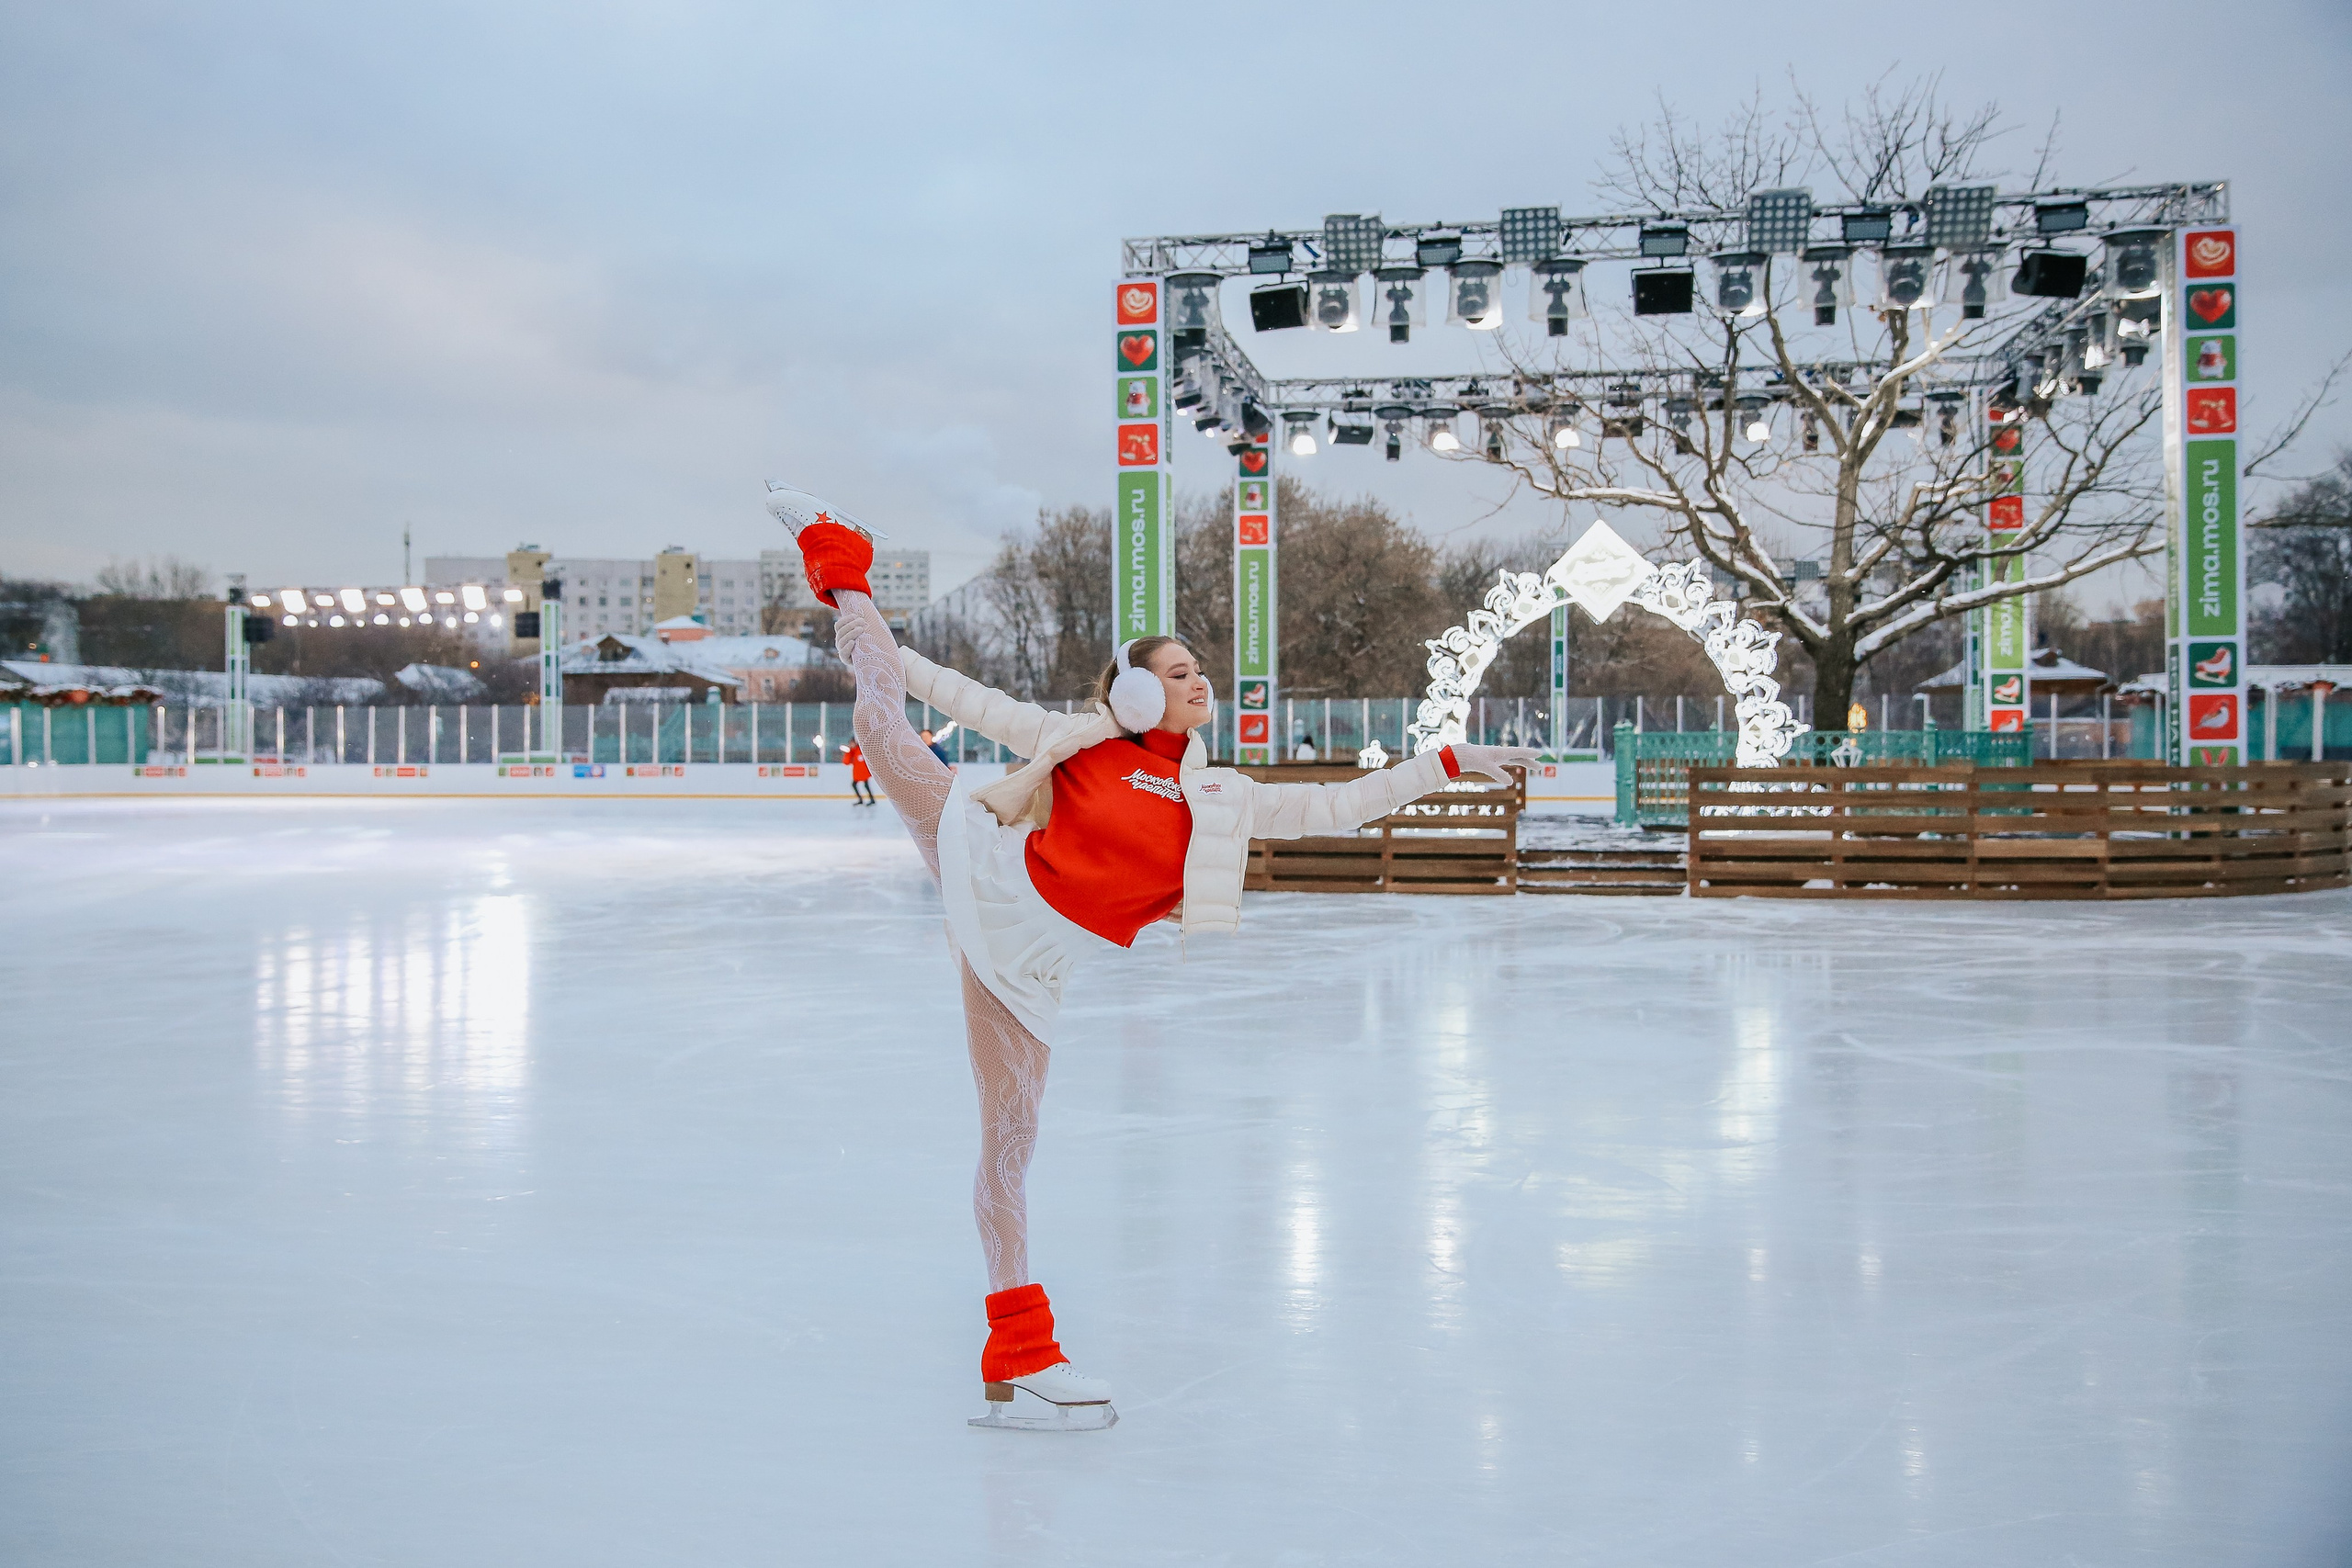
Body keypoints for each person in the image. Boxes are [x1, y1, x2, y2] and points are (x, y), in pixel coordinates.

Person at [763, 482, 1537, 1433]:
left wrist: (1447, 764)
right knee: (880, 713)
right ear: (1132, 690)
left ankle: (1015, 1347)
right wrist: (877, 642)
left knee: (1009, 1146)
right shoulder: (1078, 742)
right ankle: (837, 556)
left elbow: (1336, 805)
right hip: (985, 866)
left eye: (1197, 669)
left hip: (1029, 968)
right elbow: (956, 694)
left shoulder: (1222, 791)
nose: (1195, 680)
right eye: (1175, 672)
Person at [842, 740, 876, 805]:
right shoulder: (852, 752)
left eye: (852, 743)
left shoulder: (860, 750)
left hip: (863, 772)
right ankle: (864, 799)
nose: (852, 745)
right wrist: (848, 752)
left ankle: (869, 799)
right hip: (858, 772)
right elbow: (846, 762)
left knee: (864, 785)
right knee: (858, 785)